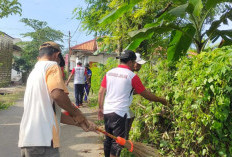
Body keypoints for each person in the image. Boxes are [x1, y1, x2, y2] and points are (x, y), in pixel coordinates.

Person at [18, 41, 96, 157]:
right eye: (60, 63)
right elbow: (57, 94)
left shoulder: (34, 73)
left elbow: (54, 114)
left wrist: (81, 122)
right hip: (43, 142)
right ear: (56, 55)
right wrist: (78, 113)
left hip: (28, 142)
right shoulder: (52, 66)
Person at [98, 50, 167, 157]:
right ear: (130, 62)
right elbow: (146, 95)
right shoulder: (131, 76)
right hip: (120, 114)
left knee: (109, 138)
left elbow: (101, 92)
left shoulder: (109, 72)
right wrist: (161, 100)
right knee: (117, 142)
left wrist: (100, 109)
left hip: (107, 111)